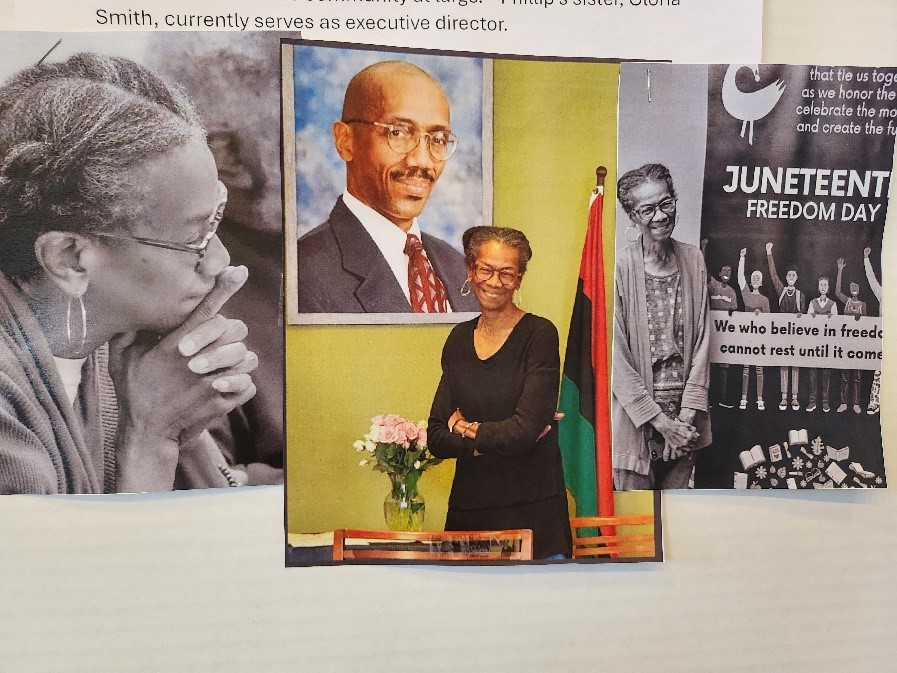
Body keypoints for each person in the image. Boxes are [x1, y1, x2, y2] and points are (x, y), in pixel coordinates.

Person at [0, 53, 258, 494]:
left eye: (216, 221)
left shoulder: (121, 345)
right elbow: (85, 566)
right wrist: (151, 438)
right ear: (70, 258)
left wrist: (186, 424)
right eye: (194, 237)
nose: (219, 262)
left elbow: (222, 504)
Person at [427, 226, 571, 559]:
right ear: (471, 271)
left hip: (533, 512)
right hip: (469, 510)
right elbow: (435, 436)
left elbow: (523, 431)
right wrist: (500, 436)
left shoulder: (540, 335)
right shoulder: (458, 340)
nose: (495, 282)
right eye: (486, 270)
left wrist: (464, 428)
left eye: (507, 273)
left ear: (519, 278)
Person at [297, 61, 480, 314]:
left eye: (437, 140)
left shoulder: (457, 267)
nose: (422, 161)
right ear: (345, 141)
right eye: (398, 133)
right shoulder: (303, 274)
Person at [612, 163, 711, 490]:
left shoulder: (693, 259)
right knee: (637, 529)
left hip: (685, 423)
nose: (660, 216)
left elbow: (702, 342)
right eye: (647, 209)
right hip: (638, 421)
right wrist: (660, 422)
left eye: (666, 203)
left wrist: (684, 419)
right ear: (632, 216)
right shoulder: (620, 267)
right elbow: (616, 358)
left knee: (679, 526)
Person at [765, 242, 804, 411]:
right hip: (782, 334)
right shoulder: (781, 290)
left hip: (796, 335)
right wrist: (769, 253)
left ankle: (794, 398)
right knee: (783, 365)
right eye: (788, 274)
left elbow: (805, 319)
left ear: (796, 278)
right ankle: (783, 398)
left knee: (795, 365)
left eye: (793, 275)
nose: (790, 277)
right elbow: (773, 275)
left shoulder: (800, 295)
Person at [701, 239, 736, 408]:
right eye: (725, 270)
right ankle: (709, 400)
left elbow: (734, 314)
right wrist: (703, 248)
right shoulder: (713, 286)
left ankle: (723, 398)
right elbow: (703, 271)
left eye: (730, 271)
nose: (727, 273)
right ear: (720, 273)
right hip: (711, 334)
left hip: (726, 337)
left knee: (724, 369)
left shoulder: (732, 292)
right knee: (710, 367)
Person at [736, 248, 770, 411]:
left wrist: (760, 315)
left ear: (761, 282)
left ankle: (759, 399)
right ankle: (743, 398)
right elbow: (740, 278)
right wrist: (742, 258)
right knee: (746, 367)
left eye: (758, 278)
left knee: (759, 368)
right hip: (747, 337)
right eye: (753, 278)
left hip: (760, 338)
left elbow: (769, 321)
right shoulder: (747, 296)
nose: (756, 280)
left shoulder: (765, 300)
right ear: (751, 282)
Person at [835, 257, 867, 414]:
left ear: (859, 289)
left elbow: (867, 327)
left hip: (859, 344)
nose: (854, 287)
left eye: (856, 285)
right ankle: (843, 402)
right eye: (852, 285)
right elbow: (836, 292)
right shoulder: (846, 301)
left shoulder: (863, 305)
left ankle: (856, 403)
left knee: (858, 376)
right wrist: (840, 270)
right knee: (845, 375)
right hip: (846, 343)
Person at [806, 276, 838, 413]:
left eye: (825, 285)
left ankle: (825, 402)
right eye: (821, 285)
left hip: (827, 344)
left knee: (826, 373)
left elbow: (837, 325)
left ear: (828, 287)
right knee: (812, 373)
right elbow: (807, 324)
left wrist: (830, 320)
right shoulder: (812, 303)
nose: (823, 287)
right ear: (818, 287)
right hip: (815, 343)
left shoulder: (833, 304)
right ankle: (812, 401)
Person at [863, 246, 882, 415]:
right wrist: (866, 259)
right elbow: (872, 280)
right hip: (884, 339)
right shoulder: (883, 294)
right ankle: (874, 402)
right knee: (878, 372)